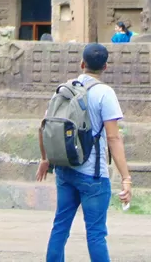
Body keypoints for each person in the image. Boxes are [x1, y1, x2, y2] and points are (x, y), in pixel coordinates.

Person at [37, 43, 132, 262]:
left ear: (82, 63)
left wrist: (45, 159)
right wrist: (126, 178)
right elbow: (113, 138)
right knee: (96, 234)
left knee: (60, 227)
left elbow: (43, 126)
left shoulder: (65, 88)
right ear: (105, 67)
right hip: (93, 175)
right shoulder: (105, 94)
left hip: (65, 169)